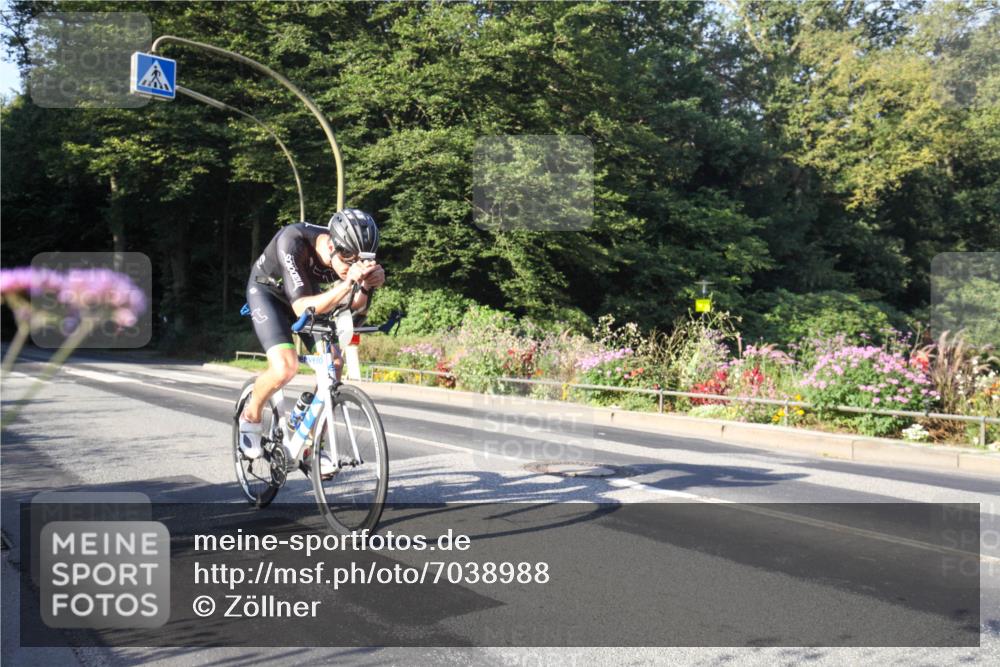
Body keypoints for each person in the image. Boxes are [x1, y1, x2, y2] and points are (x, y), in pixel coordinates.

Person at [238, 209, 385, 473]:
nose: (352, 268)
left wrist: (366, 286)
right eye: (348, 261)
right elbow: (301, 308)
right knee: (285, 367)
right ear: (331, 245)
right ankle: (250, 416)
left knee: (334, 365)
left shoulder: (349, 256)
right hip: (268, 293)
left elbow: (356, 309)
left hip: (307, 293)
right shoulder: (293, 242)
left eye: (360, 262)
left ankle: (311, 444)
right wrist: (347, 284)